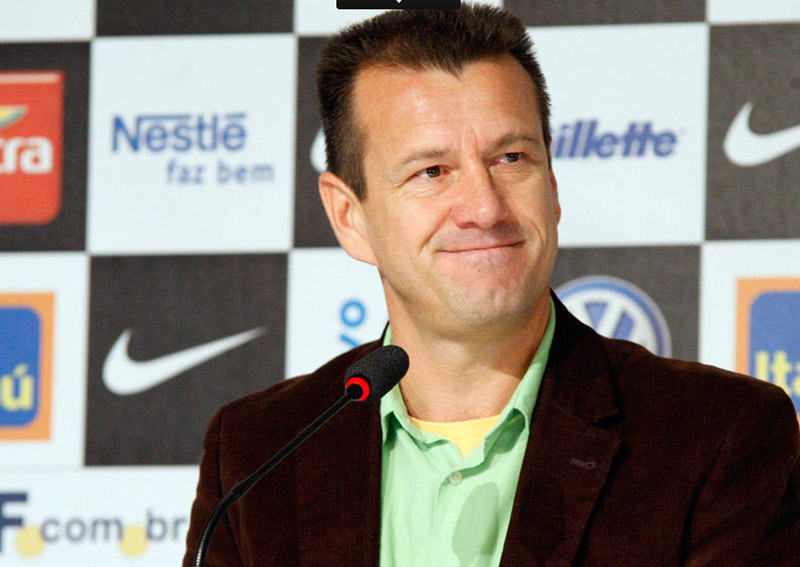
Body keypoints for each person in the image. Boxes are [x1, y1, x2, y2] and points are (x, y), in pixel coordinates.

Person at [183, 5, 800, 566]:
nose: (484, 206)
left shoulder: (717, 435)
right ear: (350, 217)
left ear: (552, 184)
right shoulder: (257, 451)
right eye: (432, 171)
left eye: (511, 159)